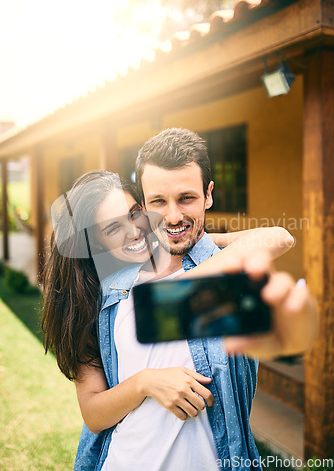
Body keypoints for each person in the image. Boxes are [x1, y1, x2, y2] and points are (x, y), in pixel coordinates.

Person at [64, 129, 315, 470]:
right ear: (143, 202)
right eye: (157, 202)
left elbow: (279, 238)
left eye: (186, 199)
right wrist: (146, 382)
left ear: (208, 195)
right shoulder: (104, 294)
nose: (171, 217)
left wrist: (205, 240)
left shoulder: (230, 275)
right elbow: (93, 415)